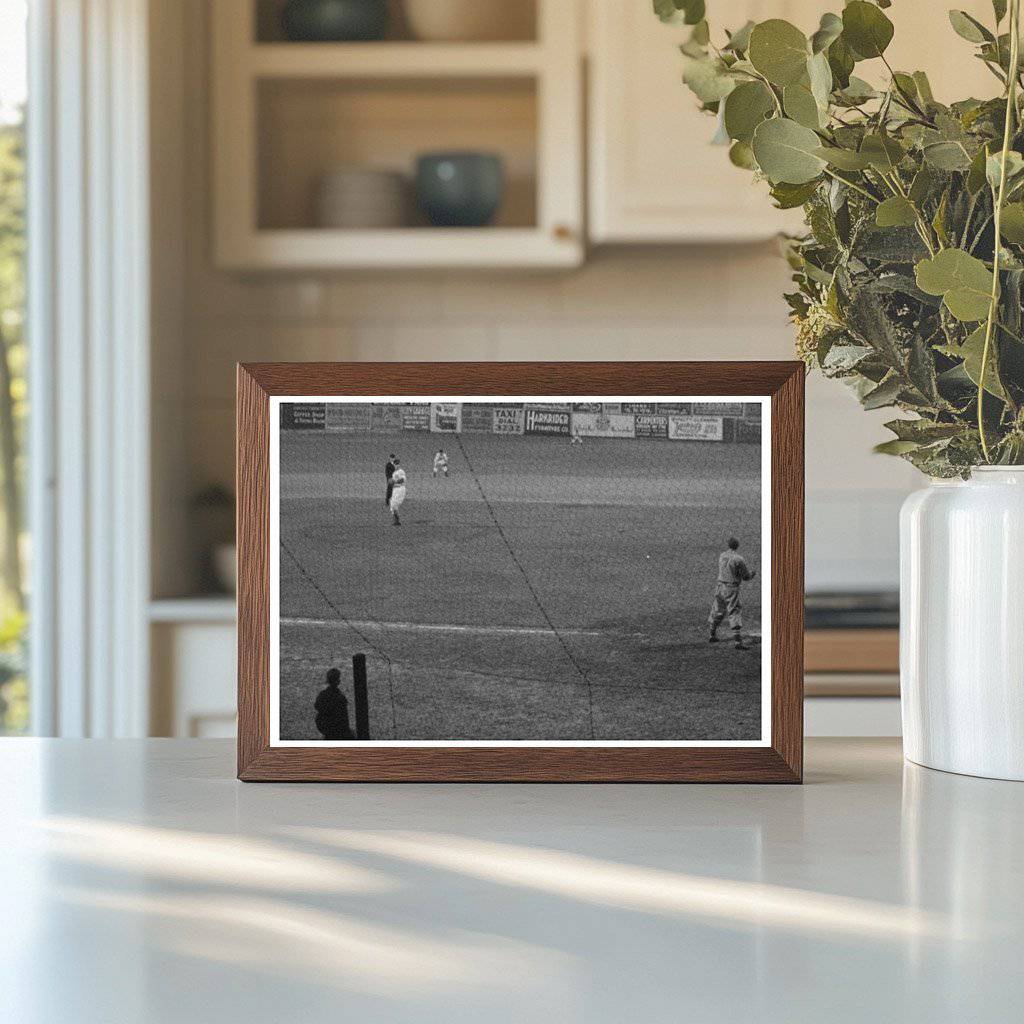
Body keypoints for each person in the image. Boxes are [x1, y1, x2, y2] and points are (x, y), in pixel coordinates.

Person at [709, 536, 756, 650]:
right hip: (731, 588)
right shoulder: (738, 559)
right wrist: (752, 574)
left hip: (720, 587)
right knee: (734, 611)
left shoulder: (722, 556)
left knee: (718, 610)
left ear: (728, 545)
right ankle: (738, 642)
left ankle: (712, 634)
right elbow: (745, 576)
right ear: (737, 546)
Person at [314, 669, 355, 740]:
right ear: (338, 681)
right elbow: (344, 717)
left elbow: (317, 706)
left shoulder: (323, 694)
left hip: (327, 728)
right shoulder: (339, 697)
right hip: (337, 729)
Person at [389, 458, 407, 526]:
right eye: (395, 464)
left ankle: (397, 521)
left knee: (394, 504)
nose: (397, 465)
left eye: (398, 464)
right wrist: (391, 482)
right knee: (392, 505)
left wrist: (394, 481)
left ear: (399, 464)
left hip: (400, 489)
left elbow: (402, 480)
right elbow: (392, 482)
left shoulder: (401, 471)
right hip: (395, 490)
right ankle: (396, 521)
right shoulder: (394, 473)